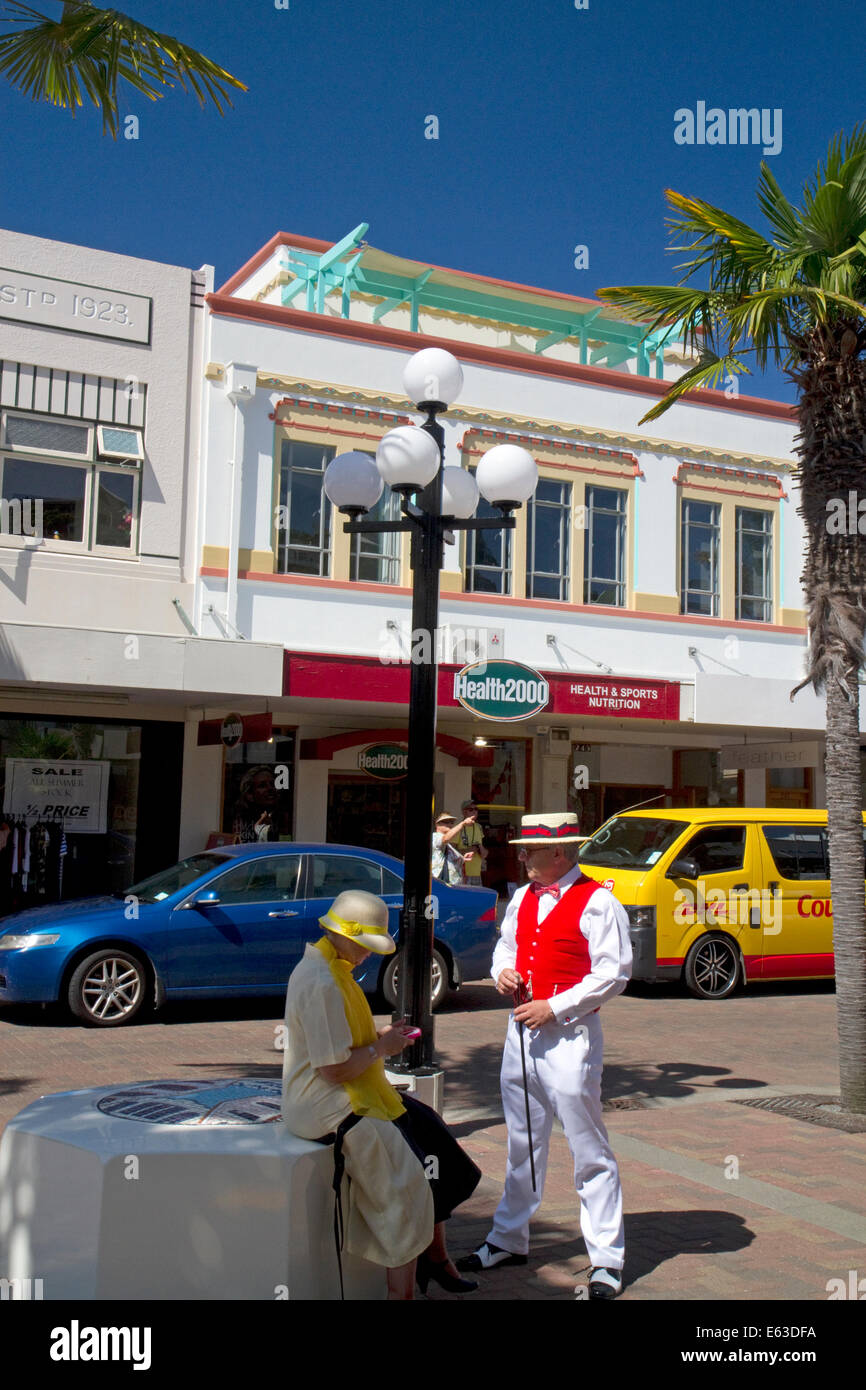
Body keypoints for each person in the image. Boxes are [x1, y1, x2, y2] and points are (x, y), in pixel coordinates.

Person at [457, 812, 632, 1300]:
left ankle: (606, 1258)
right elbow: (505, 948)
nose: (521, 858)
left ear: (559, 854)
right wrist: (504, 973)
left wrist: (554, 1006)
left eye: (529, 851)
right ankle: (509, 1237)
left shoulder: (598, 901)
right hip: (521, 1033)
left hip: (570, 1036)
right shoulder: (523, 897)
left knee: (587, 1145)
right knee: (522, 1140)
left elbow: (614, 972)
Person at [281, 888, 481, 1299]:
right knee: (408, 1190)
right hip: (334, 1103)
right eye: (366, 946)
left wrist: (380, 1040)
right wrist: (381, 1048)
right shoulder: (322, 980)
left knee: (433, 1145)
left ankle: (429, 1262)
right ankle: (405, 1286)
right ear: (349, 937)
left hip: (355, 1093)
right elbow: (334, 1069)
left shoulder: (329, 967)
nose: (370, 954)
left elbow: (341, 1048)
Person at [431, 811, 471, 885]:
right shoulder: (435, 836)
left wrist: (463, 858)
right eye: (446, 822)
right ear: (437, 824)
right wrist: (462, 824)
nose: (449, 824)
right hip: (441, 883)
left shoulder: (448, 845)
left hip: (451, 884)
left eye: (451, 822)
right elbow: (445, 838)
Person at [456, 799, 487, 885]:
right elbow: (451, 851)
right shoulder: (458, 827)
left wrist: (481, 849)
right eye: (471, 809)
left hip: (477, 872)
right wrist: (468, 850)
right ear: (464, 812)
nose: (474, 812)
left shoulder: (479, 827)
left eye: (476, 809)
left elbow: (484, 852)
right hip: (462, 872)